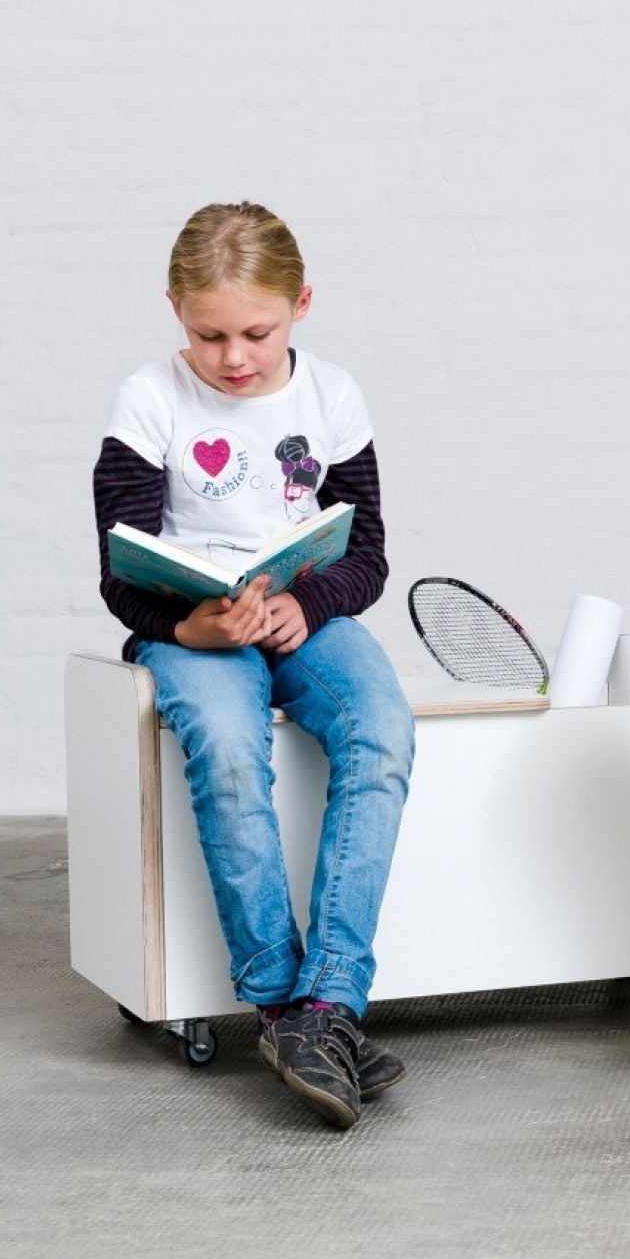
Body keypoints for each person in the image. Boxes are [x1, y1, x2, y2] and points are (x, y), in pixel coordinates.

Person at [92, 202, 414, 1127]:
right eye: (209, 336)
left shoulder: (333, 397)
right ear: (175, 312)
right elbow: (119, 569)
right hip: (192, 626)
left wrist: (305, 605)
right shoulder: (150, 400)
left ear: (301, 304)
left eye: (258, 334)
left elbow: (367, 555)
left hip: (301, 617)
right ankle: (278, 1000)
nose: (234, 358)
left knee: (381, 730)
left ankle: (329, 1002)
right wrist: (186, 628)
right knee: (229, 748)